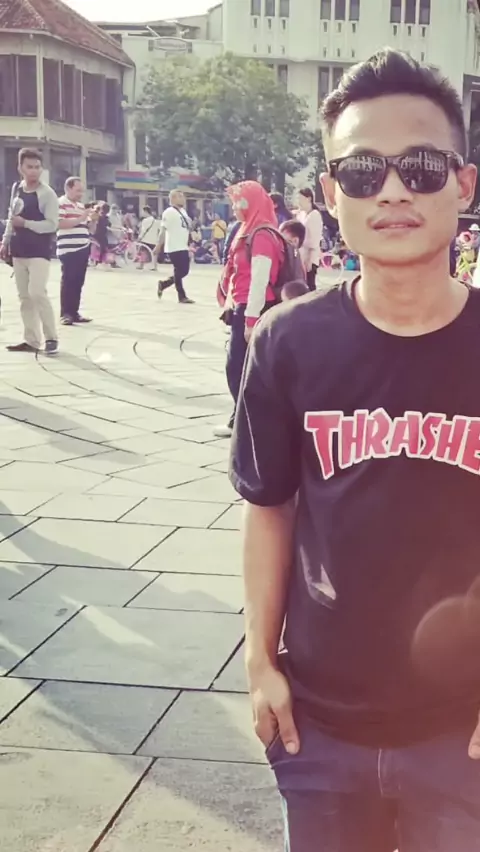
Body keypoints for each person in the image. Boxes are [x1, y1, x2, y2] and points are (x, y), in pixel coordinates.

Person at [230, 48, 480, 851]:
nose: (394, 190)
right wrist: (260, 662)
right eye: (364, 171)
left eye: (421, 166)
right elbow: (270, 508)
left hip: (464, 735)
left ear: (463, 183)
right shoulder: (288, 343)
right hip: (320, 727)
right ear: (332, 193)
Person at [213, 180, 285, 439]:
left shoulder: (262, 235)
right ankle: (244, 419)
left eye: (237, 202)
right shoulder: (249, 230)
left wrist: (251, 320)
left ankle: (243, 423)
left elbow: (260, 280)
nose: (234, 207)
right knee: (243, 367)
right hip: (243, 306)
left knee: (238, 367)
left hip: (254, 308)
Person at [1, 148, 58, 354]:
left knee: (37, 292)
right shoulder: (17, 189)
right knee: (24, 297)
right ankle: (31, 340)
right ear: (20, 168)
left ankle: (51, 338)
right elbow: (11, 217)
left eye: (37, 167)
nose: (34, 171)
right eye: (29, 167)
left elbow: (52, 224)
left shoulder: (47, 193)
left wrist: (25, 223)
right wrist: (5, 241)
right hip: (19, 250)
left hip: (39, 251)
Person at [57, 176, 92, 325]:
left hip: (83, 246)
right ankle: (65, 313)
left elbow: (89, 228)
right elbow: (60, 223)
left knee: (78, 281)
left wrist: (93, 219)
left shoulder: (80, 206)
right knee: (68, 280)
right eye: (78, 191)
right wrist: (81, 218)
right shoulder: (60, 203)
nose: (80, 194)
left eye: (82, 191)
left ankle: (74, 312)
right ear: (68, 188)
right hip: (68, 248)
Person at [156, 190, 194, 304]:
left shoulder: (183, 211)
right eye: (180, 197)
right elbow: (163, 230)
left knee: (184, 271)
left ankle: (164, 284)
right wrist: (158, 245)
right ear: (172, 198)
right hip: (173, 246)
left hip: (183, 245)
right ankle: (181, 296)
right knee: (179, 270)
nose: (183, 199)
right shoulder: (168, 212)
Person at [296, 187, 324, 291]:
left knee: (310, 283)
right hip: (301, 254)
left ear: (308, 199)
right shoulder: (301, 214)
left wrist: (310, 260)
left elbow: (315, 240)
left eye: (300, 198)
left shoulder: (315, 215)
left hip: (310, 256)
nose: (298, 202)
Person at [137, 206, 161, 270]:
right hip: (154, 239)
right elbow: (159, 230)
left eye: (143, 212)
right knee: (154, 253)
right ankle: (155, 266)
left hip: (145, 239)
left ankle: (141, 265)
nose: (142, 213)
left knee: (143, 252)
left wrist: (139, 237)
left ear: (146, 212)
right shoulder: (156, 221)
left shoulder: (145, 221)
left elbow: (143, 230)